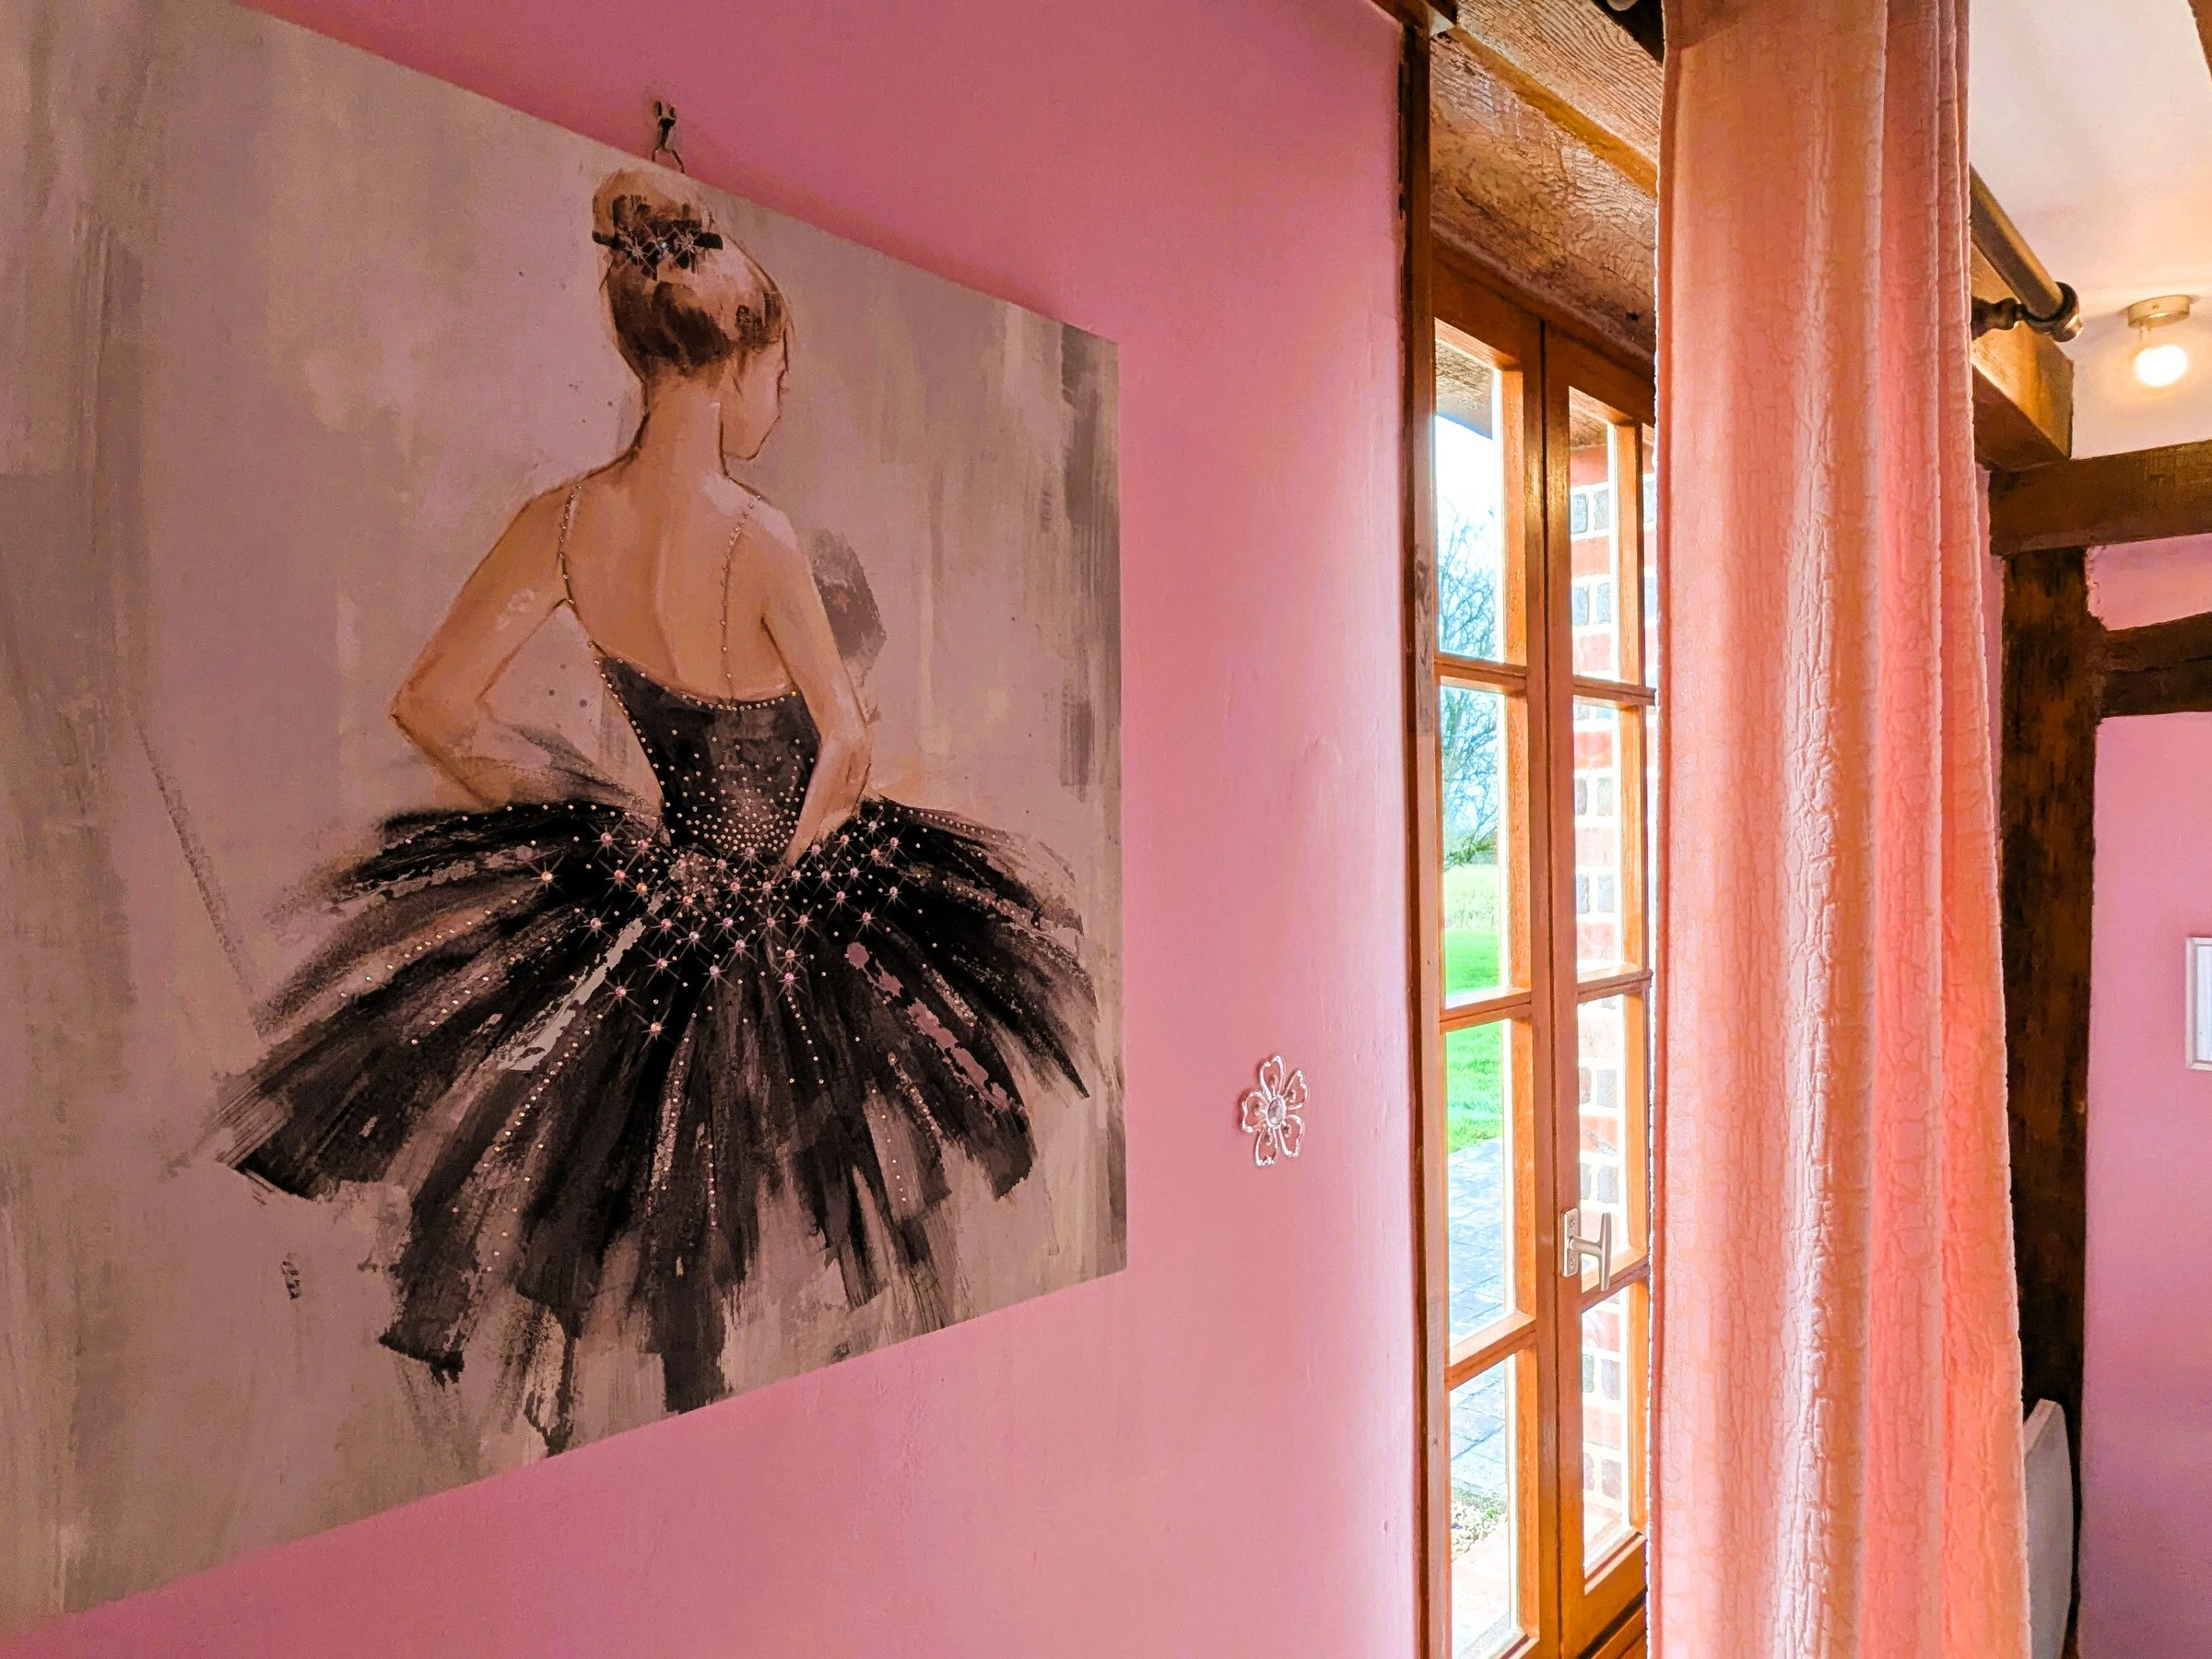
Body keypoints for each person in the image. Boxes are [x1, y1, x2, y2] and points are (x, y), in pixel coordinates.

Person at [215, 169, 1094, 1446]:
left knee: (659, 1205)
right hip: (781, 890)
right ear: (733, 367)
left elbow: (434, 705)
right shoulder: (758, 537)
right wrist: (783, 879)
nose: (780, 398)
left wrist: (584, 811)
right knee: (811, 1213)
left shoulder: (564, 523)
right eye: (777, 373)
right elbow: (844, 744)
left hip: (656, 884)